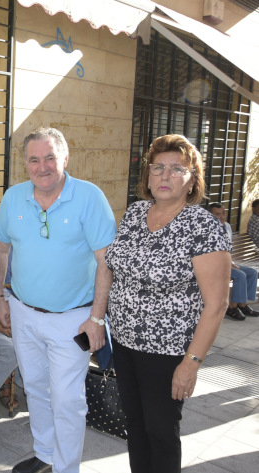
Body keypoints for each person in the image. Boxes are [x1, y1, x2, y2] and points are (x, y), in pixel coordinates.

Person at [0, 127, 116, 473]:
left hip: (72, 319)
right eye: (34, 159)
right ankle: (45, 454)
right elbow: (0, 247)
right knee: (35, 387)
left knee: (67, 399)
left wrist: (97, 318)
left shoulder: (89, 197)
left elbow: (107, 261)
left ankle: (66, 468)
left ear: (64, 158)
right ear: (25, 163)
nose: (42, 166)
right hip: (23, 311)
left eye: (50, 157)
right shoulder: (13, 198)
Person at [105, 134, 231, 473]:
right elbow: (113, 267)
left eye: (177, 169)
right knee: (135, 426)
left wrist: (190, 363)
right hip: (125, 342)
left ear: (192, 180)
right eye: (158, 167)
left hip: (168, 352)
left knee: (160, 432)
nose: (164, 175)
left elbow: (217, 304)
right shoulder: (134, 213)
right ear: (147, 175)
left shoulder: (203, 226)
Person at [208, 203, 258, 320]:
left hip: (227, 261)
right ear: (210, 215)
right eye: (218, 214)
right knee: (240, 275)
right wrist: (229, 263)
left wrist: (230, 262)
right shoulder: (208, 229)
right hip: (214, 264)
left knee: (252, 272)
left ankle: (243, 304)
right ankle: (232, 307)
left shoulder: (227, 227)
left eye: (223, 213)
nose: (222, 216)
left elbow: (228, 248)